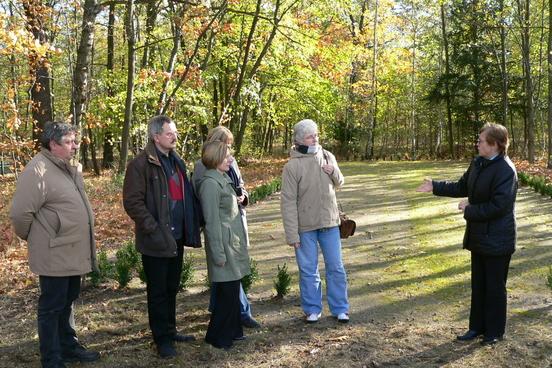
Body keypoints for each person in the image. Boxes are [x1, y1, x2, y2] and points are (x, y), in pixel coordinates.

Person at [416, 122, 517, 346]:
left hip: (498, 239)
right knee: (479, 285)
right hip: (479, 237)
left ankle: (494, 332)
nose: (477, 144)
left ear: (495, 145)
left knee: (494, 288)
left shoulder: (506, 170)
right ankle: (476, 327)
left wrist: (469, 209)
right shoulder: (478, 163)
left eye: (481, 141)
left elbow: (499, 206)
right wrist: (435, 186)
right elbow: (463, 187)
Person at [10, 121, 100, 368]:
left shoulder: (65, 168)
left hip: (71, 250)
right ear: (53, 144)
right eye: (69, 142)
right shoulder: (37, 170)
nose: (74, 146)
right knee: (52, 306)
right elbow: (19, 215)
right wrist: (38, 237)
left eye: (74, 141)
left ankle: (69, 347)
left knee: (67, 301)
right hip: (54, 252)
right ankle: (51, 358)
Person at [122, 115, 201, 358]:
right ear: (156, 136)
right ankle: (162, 340)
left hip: (176, 236)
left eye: (175, 132)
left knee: (171, 286)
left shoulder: (176, 161)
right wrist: (153, 228)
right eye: (169, 133)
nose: (174, 137)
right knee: (157, 291)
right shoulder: (140, 165)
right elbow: (133, 203)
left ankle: (170, 330)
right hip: (155, 239)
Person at [280, 119, 350, 324]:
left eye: (316, 135)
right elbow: (288, 202)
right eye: (311, 136)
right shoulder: (292, 166)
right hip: (305, 228)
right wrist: (292, 234)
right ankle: (312, 309)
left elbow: (340, 182)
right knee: (309, 270)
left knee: (336, 267)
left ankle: (340, 309)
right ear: (300, 140)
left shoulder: (328, 156)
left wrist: (333, 171)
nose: (315, 139)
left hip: (329, 223)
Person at [193, 126, 260, 329]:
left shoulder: (230, 161)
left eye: (230, 146)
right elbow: (204, 198)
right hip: (221, 226)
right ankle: (233, 315)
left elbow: (239, 184)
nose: (230, 152)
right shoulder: (203, 168)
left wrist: (242, 197)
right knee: (225, 273)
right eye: (226, 145)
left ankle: (231, 315)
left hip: (236, 218)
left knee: (233, 272)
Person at [197, 141, 250, 349]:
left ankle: (234, 331)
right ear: (215, 158)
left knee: (233, 288)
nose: (230, 159)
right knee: (227, 293)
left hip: (232, 242)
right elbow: (211, 223)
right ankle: (217, 336)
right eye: (227, 156)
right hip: (224, 245)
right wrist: (218, 253)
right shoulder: (210, 183)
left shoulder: (222, 178)